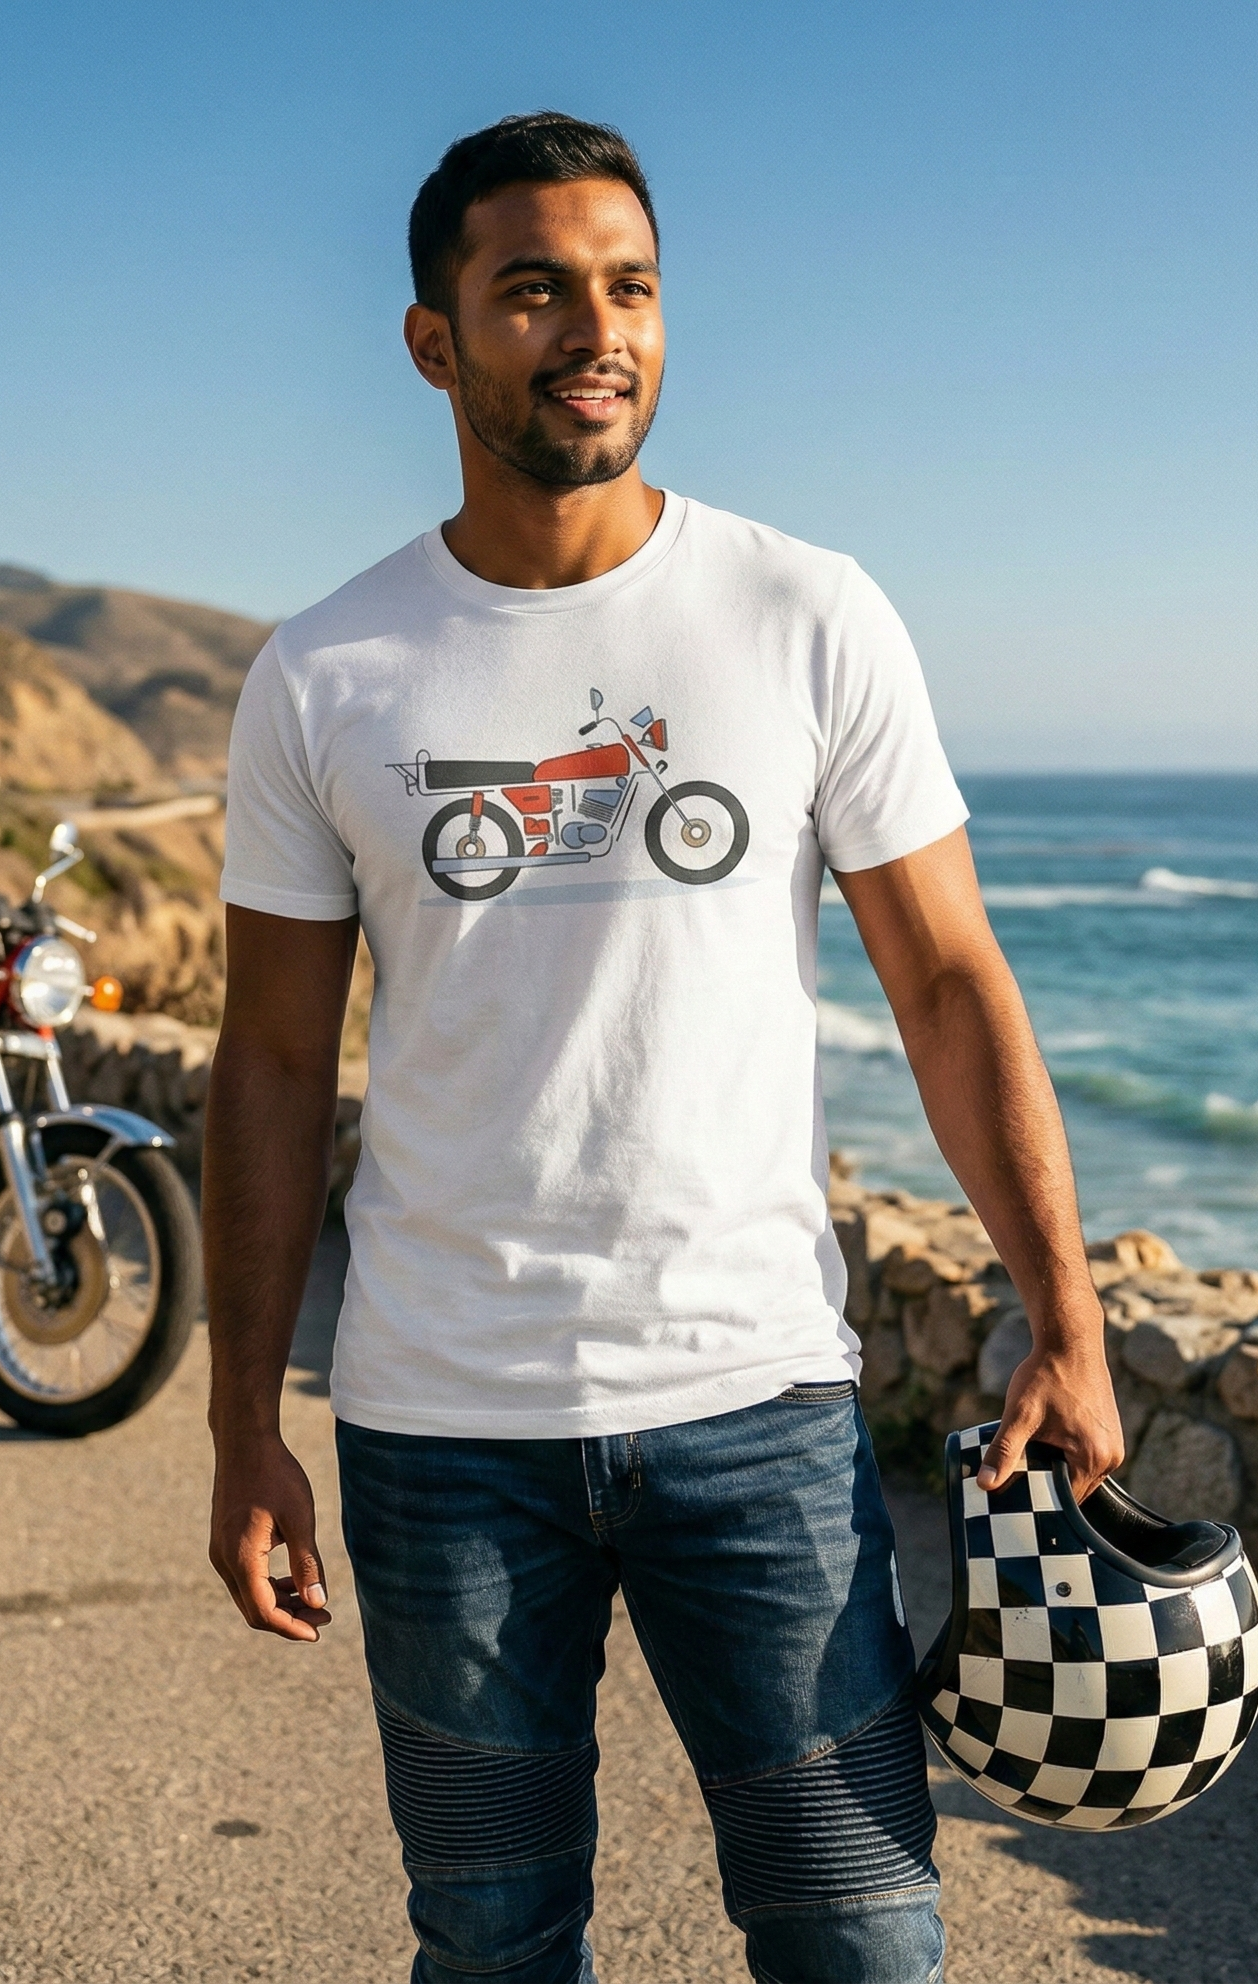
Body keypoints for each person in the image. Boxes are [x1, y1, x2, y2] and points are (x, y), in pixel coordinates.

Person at [203, 110, 1124, 1984]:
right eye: (531, 289)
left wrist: (1072, 1314)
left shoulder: (804, 610)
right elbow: (275, 1066)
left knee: (863, 1938)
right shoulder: (327, 671)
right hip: (441, 1432)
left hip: (760, 1409)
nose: (592, 328)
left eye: (627, 287)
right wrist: (240, 1426)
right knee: (491, 1941)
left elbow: (949, 981)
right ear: (434, 340)